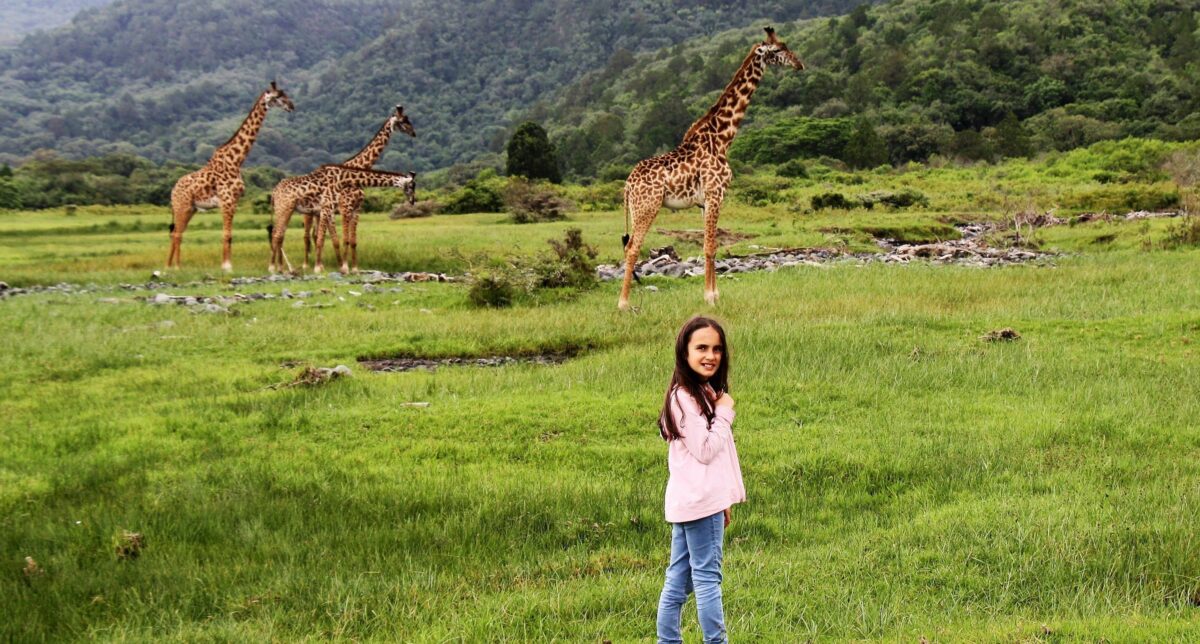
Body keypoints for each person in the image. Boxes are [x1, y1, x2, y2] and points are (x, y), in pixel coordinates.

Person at [656, 316, 746, 644]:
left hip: (695, 501)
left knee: (679, 579)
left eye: (717, 349)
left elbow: (707, 461)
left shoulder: (700, 392)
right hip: (698, 503)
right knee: (708, 579)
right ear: (685, 351)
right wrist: (724, 411)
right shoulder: (686, 397)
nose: (711, 355)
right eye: (702, 348)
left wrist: (721, 500)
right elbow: (706, 450)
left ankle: (668, 642)